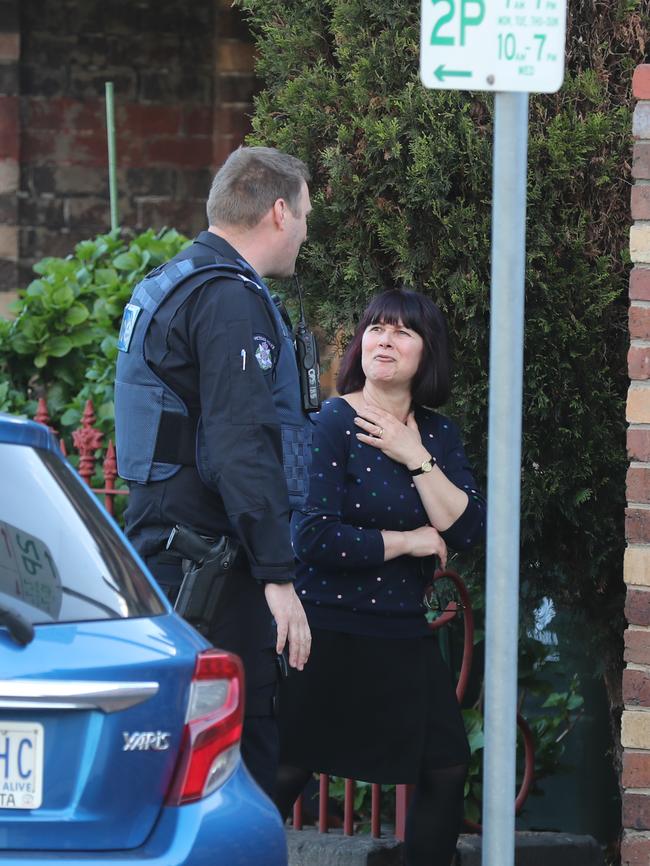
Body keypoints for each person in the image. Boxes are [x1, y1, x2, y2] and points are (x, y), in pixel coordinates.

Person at [113, 146, 313, 798]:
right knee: (236, 767)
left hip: (176, 557)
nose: (306, 233)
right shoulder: (228, 300)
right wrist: (277, 575)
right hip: (216, 570)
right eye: (305, 215)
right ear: (279, 212)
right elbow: (240, 447)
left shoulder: (175, 280)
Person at [275, 289, 486, 865]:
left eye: (402, 332)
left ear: (428, 354)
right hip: (326, 629)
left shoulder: (436, 436)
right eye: (375, 328)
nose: (384, 340)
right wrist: (411, 542)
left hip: (399, 630)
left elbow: (467, 528)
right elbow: (313, 538)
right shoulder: (330, 423)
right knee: (285, 770)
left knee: (445, 765)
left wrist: (410, 452)